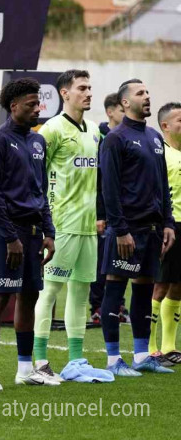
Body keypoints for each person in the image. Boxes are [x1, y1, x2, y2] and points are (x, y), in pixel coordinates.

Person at [31, 70, 110, 382]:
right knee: (50, 291)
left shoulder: (93, 130)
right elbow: (36, 177)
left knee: (81, 291)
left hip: (88, 227)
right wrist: (44, 225)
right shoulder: (51, 130)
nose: (88, 93)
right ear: (64, 93)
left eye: (90, 87)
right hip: (60, 226)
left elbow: (97, 179)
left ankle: (76, 360)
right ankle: (39, 360)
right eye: (82, 88)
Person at [0, 77, 57, 389]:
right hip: (6, 233)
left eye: (38, 103)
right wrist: (10, 237)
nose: (38, 109)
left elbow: (41, 189)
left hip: (35, 231)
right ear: (14, 107)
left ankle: (25, 369)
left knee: (29, 296)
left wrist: (49, 231)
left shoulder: (38, 142)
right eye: (31, 104)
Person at [100, 79, 175, 376]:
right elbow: (110, 188)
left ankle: (142, 355)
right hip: (126, 229)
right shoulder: (115, 139)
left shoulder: (155, 137)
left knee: (143, 291)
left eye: (147, 92)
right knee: (115, 290)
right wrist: (119, 229)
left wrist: (167, 223)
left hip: (153, 229)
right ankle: (112, 360)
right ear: (125, 103)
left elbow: (163, 184)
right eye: (140, 94)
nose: (147, 97)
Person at [91, 93, 128, 324]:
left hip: (125, 211)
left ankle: (119, 307)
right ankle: (97, 307)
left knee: (122, 259)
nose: (126, 114)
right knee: (101, 262)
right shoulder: (100, 137)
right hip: (104, 212)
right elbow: (98, 180)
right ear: (110, 112)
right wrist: (100, 214)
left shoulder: (128, 136)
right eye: (122, 110)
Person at [149, 102, 181, 365]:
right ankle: (150, 348)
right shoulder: (161, 154)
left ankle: (170, 346)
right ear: (165, 126)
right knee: (159, 285)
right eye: (180, 119)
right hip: (169, 226)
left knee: (178, 286)